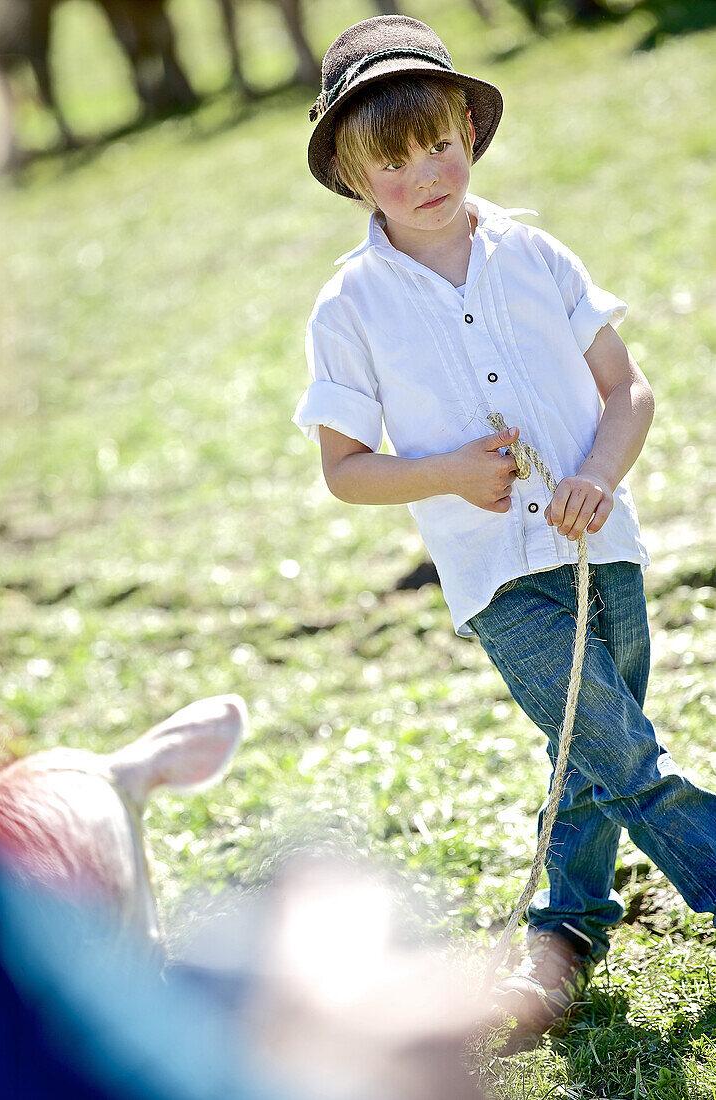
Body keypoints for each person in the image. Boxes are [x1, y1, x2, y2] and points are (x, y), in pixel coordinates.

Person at [292, 13, 716, 1037]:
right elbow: (345, 470)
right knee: (627, 756)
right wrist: (443, 471)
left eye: (437, 142)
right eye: (391, 161)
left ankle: (560, 938)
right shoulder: (347, 307)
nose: (425, 172)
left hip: (598, 549)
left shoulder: (534, 254)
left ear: (468, 136)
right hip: (497, 577)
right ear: (353, 178)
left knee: (587, 752)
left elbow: (627, 390)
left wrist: (599, 475)